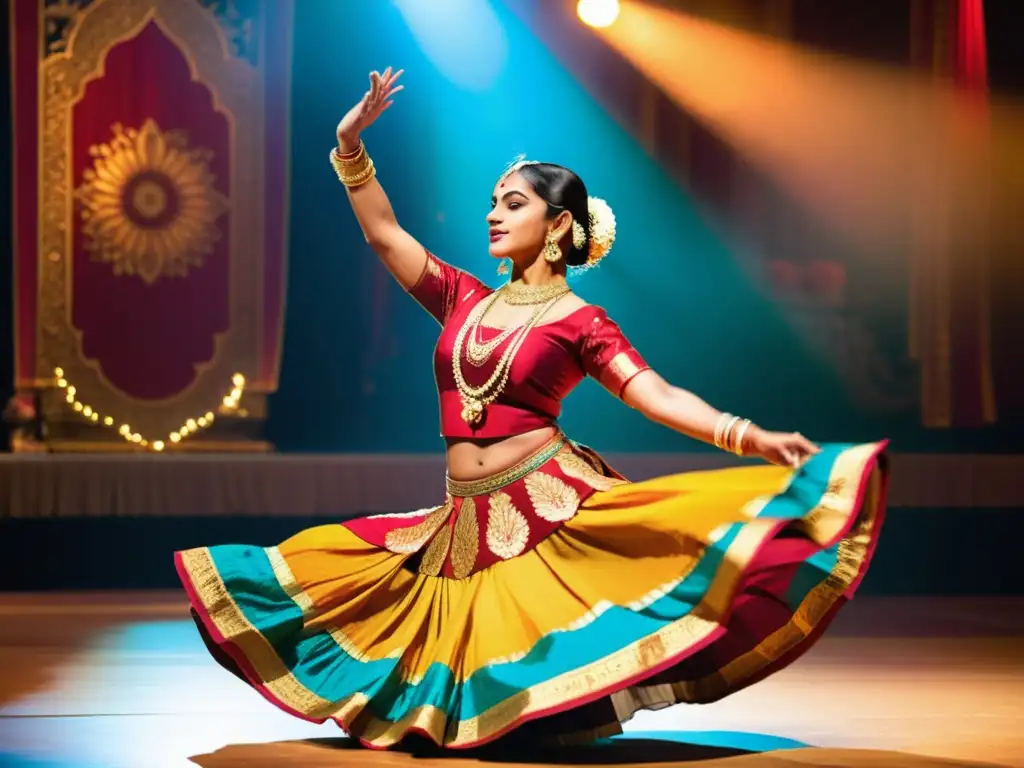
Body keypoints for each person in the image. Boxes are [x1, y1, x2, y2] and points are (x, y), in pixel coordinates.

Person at [175, 68, 888, 751]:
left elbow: (656, 395)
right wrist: (350, 147)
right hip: (460, 515)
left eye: (512, 202)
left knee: (536, 662)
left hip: (546, 507)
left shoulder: (582, 321)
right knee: (354, 606)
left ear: (558, 225)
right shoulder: (463, 299)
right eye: (491, 201)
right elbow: (386, 236)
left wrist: (750, 436)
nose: (492, 213)